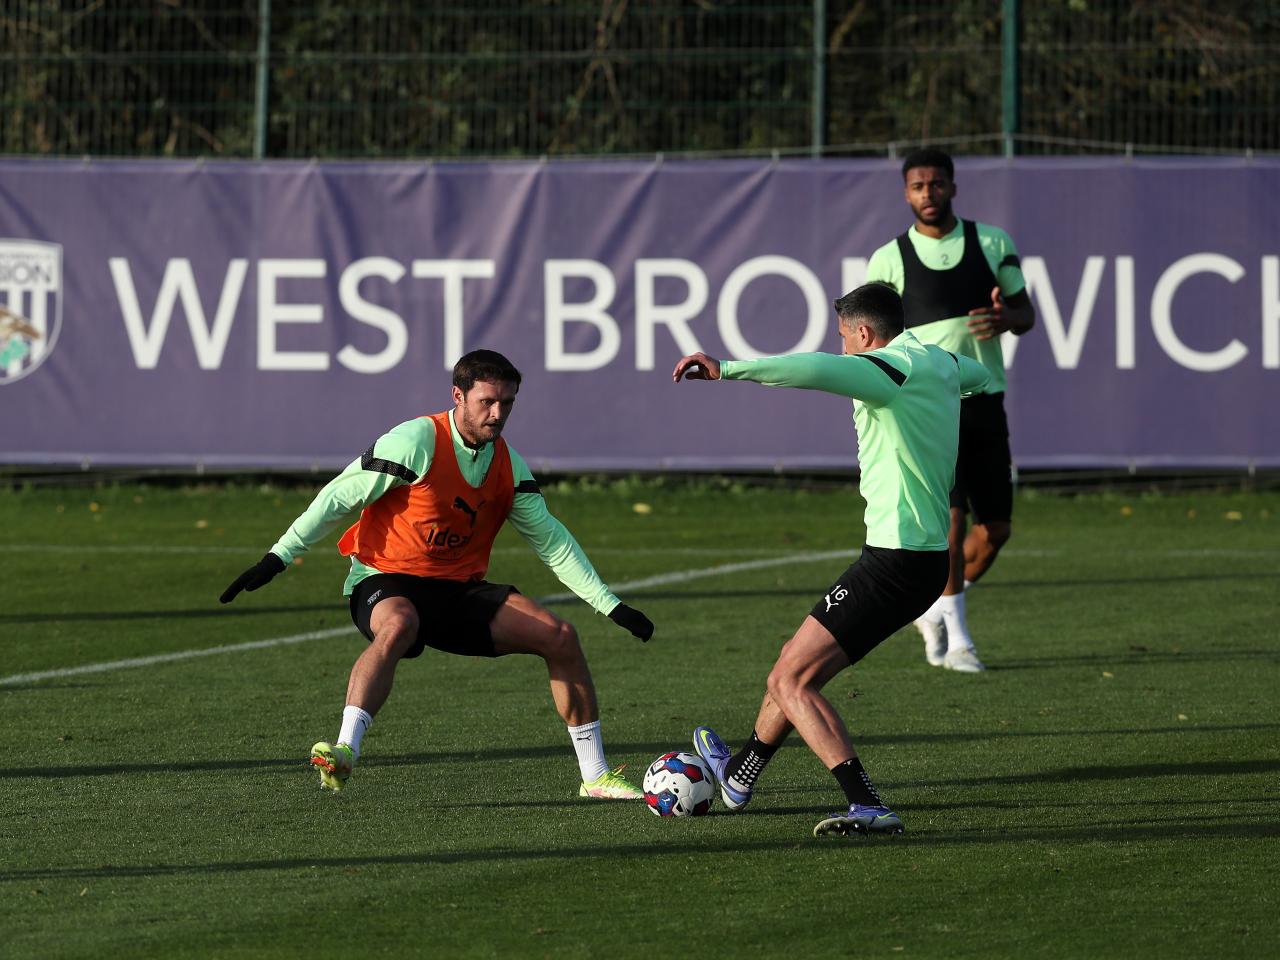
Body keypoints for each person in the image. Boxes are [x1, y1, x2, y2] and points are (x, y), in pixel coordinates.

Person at [220, 349, 654, 798]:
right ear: (458, 395)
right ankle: (345, 751)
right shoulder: (416, 442)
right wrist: (280, 555)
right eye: (487, 401)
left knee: (560, 636)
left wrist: (611, 605)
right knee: (400, 623)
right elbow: (339, 497)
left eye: (507, 403)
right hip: (384, 577)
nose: (498, 413)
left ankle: (596, 777)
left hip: (457, 591)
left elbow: (551, 540)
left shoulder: (507, 465)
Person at [672, 282, 989, 838]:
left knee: (792, 681)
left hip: (894, 563)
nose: (843, 348)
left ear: (864, 334)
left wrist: (727, 368)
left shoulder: (885, 371)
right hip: (922, 561)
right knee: (793, 665)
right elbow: (982, 377)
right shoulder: (940, 362)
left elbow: (812, 369)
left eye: (846, 338)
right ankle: (740, 776)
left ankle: (867, 804)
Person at [864, 147, 1036, 672]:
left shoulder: (991, 242)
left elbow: (1025, 313)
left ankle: (935, 604)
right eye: (918, 186)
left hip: (984, 401)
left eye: (937, 184)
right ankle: (959, 641)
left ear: (953, 188)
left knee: (997, 531)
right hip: (929, 405)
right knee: (952, 522)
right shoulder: (888, 259)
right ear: (906, 192)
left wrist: (1007, 316)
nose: (928, 194)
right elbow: (873, 339)